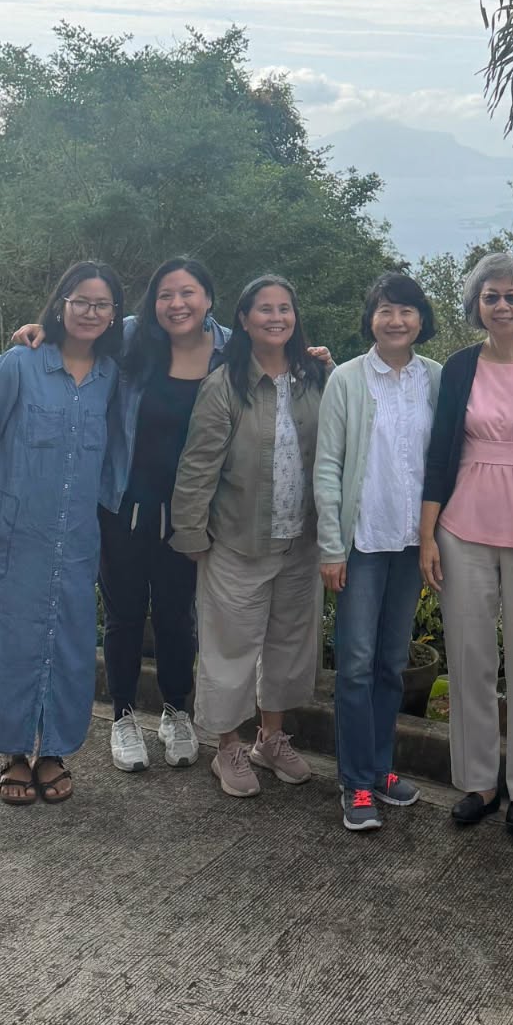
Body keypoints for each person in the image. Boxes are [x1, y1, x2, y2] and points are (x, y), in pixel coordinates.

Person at [13, 257, 230, 775]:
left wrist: (317, 359)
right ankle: (124, 716)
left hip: (191, 512)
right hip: (125, 504)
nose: (177, 304)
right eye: (165, 294)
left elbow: (278, 355)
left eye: (188, 293)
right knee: (125, 615)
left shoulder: (230, 349)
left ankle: (177, 712)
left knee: (179, 617)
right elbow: (83, 333)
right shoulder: (132, 338)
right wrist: (43, 328)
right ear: (152, 302)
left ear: (208, 299)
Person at [0, 260, 125, 806]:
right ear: (60, 303)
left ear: (115, 316)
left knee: (67, 640)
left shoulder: (114, 376)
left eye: (102, 303)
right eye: (80, 299)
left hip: (76, 536)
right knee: (9, 641)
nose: (90, 311)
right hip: (12, 529)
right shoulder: (20, 363)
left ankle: (56, 749)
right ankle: (15, 750)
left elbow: (190, 332)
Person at [420, 251, 513, 837]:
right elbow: (439, 453)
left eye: (511, 296)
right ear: (475, 304)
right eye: (490, 296)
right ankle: (478, 781)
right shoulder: (458, 368)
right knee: (470, 657)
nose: (501, 305)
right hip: (463, 526)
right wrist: (426, 533)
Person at [170, 274, 331, 798]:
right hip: (237, 540)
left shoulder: (313, 378)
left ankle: (272, 737)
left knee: (287, 647)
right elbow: (197, 468)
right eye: (264, 309)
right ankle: (228, 747)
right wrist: (190, 532)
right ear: (243, 319)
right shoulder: (225, 385)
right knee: (229, 651)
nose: (276, 317)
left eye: (285, 308)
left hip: (300, 541)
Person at [314, 272, 443, 833]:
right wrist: (331, 547)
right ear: (371, 318)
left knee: (392, 664)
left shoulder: (438, 379)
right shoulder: (345, 379)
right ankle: (355, 781)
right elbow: (329, 465)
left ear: (422, 320)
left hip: (412, 542)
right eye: (386, 310)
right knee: (357, 665)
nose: (396, 320)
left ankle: (381, 768)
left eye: (407, 311)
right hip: (361, 543)